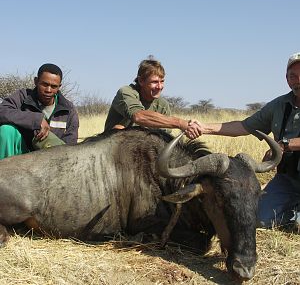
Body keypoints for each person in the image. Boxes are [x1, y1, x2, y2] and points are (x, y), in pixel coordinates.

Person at [197, 52, 300, 230]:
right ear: (287, 79)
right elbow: (244, 126)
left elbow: (284, 145)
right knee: (260, 219)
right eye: (293, 76)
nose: (298, 80)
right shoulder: (279, 105)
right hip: (288, 178)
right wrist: (204, 128)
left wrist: (283, 145)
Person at [104, 57, 202, 140]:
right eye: (154, 82)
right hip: (113, 149)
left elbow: (163, 136)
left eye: (162, 81)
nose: (160, 87)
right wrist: (180, 123)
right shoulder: (126, 92)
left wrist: (191, 128)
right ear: (141, 80)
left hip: (144, 148)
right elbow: (138, 116)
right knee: (119, 129)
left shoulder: (163, 105)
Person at [0, 63, 79, 159]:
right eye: (44, 84)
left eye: (53, 86)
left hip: (52, 160)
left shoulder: (69, 109)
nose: (48, 90)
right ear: (36, 81)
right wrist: (36, 120)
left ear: (59, 87)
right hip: (21, 156)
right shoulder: (22, 97)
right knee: (6, 130)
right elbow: (2, 111)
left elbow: (71, 145)